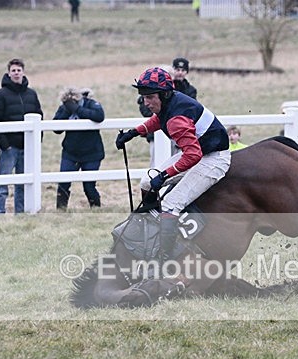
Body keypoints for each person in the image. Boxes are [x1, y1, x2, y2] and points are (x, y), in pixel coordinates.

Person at [115, 67, 230, 262]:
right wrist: (133, 133)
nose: (145, 102)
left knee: (170, 205)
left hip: (214, 158)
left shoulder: (177, 119)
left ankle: (165, 258)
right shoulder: (170, 103)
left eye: (150, 97)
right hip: (200, 152)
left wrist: (165, 175)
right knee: (146, 182)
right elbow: (158, 121)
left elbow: (193, 155)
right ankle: (152, 226)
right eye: (143, 96)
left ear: (164, 94)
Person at [0, 58, 43, 215]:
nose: (16, 73)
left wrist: (36, 141)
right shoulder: (0, 95)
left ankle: (20, 213)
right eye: (13, 70)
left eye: (18, 70)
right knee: (3, 181)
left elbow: (39, 116)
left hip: (27, 147)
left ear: (23, 72)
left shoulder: (31, 94)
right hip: (9, 147)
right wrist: (4, 145)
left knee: (23, 183)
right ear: (8, 73)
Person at [53, 86, 105, 210]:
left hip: (92, 153)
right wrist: (67, 111)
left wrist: (77, 109)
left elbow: (99, 116)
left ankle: (96, 209)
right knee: (63, 183)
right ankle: (61, 210)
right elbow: (56, 128)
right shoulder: (64, 108)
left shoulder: (91, 104)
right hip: (70, 153)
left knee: (89, 186)